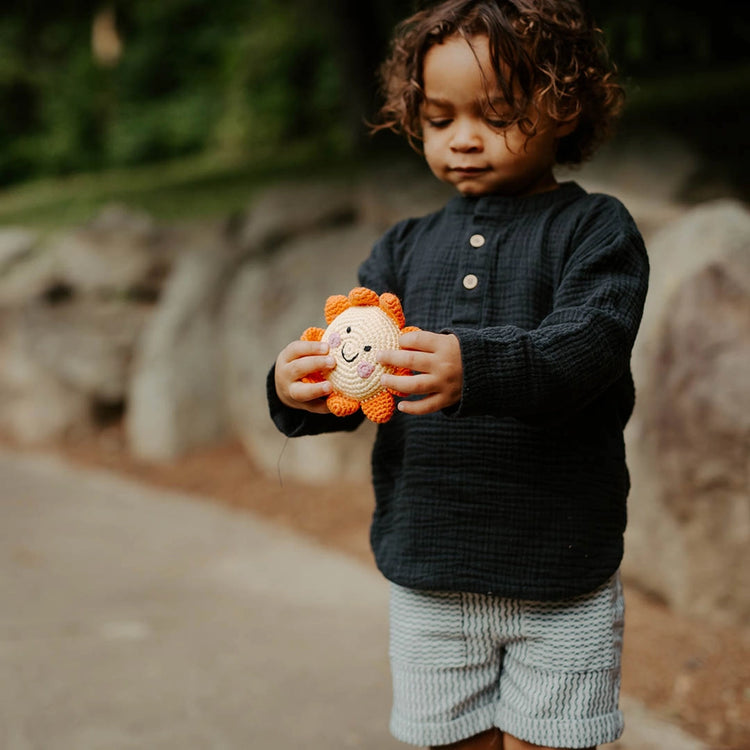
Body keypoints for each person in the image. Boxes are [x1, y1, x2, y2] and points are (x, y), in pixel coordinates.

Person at [268, 1, 649, 748]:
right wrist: (302, 388)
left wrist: (476, 367)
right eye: (440, 120)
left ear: (563, 107)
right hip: (430, 567)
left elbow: (590, 348)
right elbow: (361, 380)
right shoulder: (402, 250)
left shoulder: (595, 231)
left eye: (498, 114)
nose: (463, 140)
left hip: (558, 572)